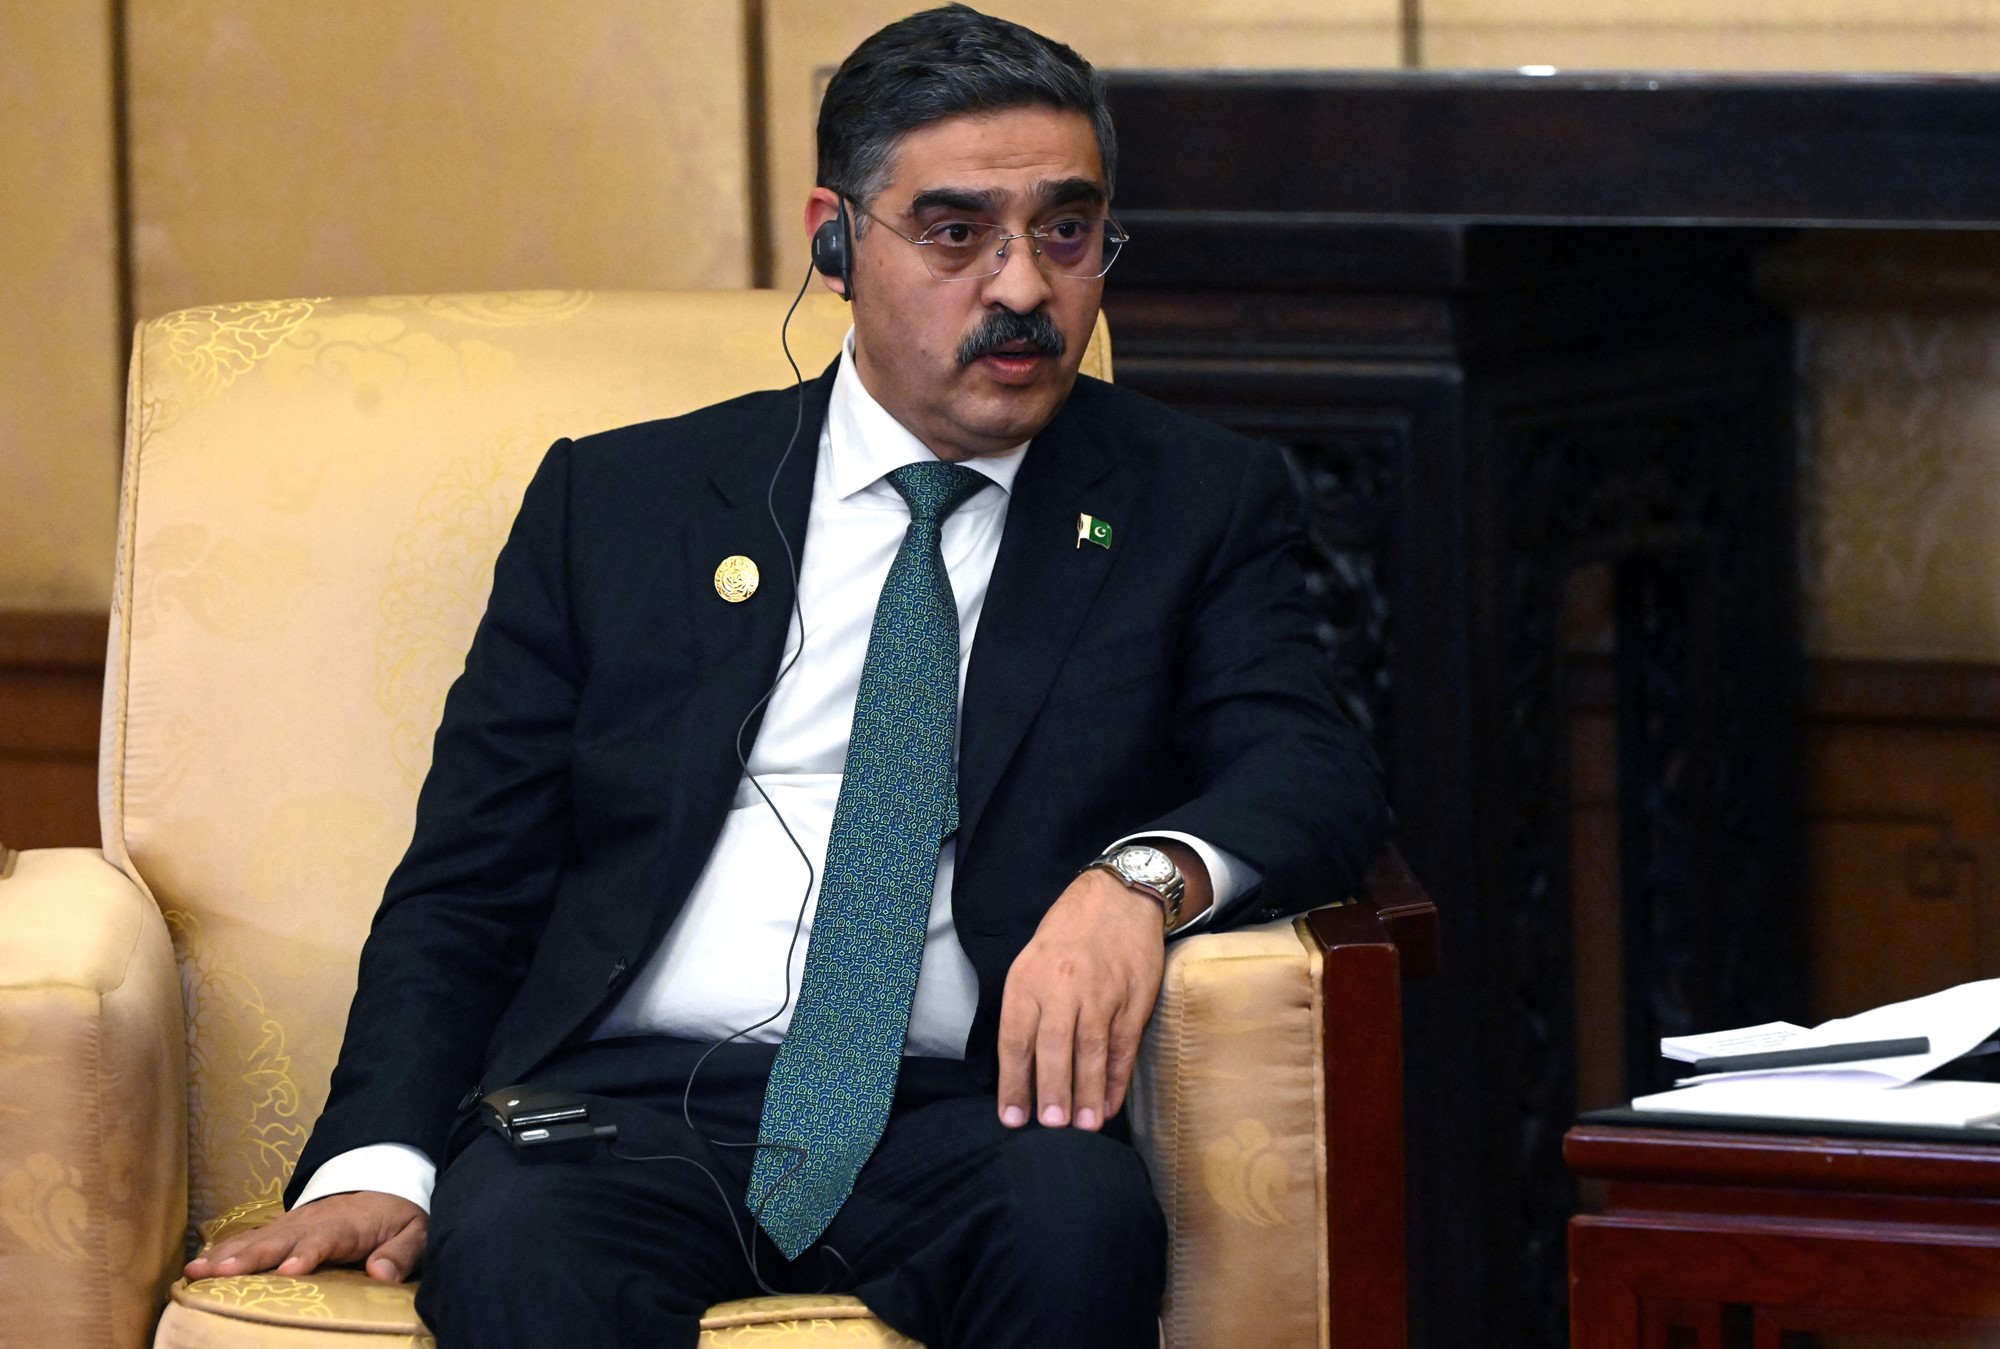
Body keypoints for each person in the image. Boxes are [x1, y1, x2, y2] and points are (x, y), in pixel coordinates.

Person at [184, 6, 1390, 1347]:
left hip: (963, 1106)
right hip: (616, 1108)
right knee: (522, 1254)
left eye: (1065, 230)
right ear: (834, 238)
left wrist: (1138, 880)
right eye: (954, 233)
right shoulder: (622, 504)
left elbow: (1317, 771)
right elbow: (470, 874)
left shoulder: (1190, 500)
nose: (1023, 289)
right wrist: (378, 1162)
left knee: (1081, 1227)